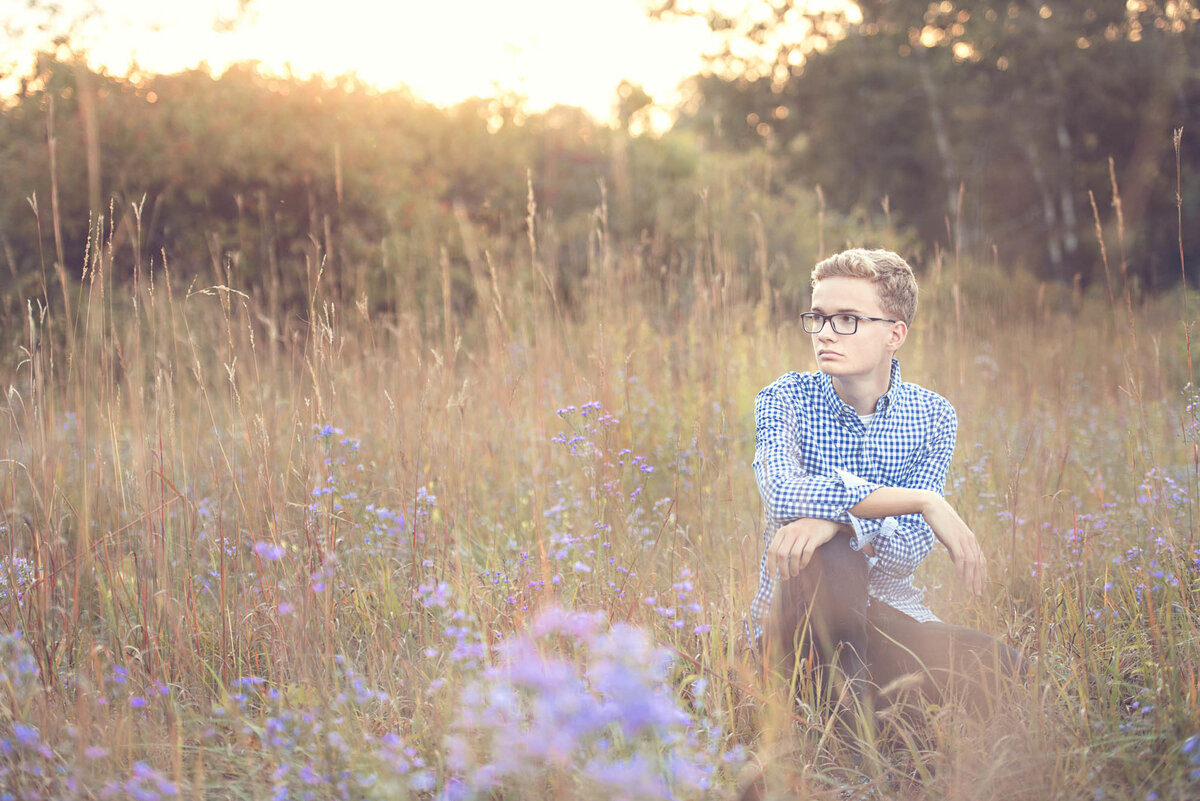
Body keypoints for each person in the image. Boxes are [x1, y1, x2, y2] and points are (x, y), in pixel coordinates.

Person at [748, 248, 1024, 756]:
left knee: (1009, 673)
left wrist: (841, 523)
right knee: (827, 557)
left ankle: (877, 720)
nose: (825, 333)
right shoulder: (784, 398)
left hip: (889, 616)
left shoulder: (933, 417)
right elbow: (782, 492)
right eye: (819, 317)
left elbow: (913, 549)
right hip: (798, 626)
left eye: (848, 319)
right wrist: (917, 500)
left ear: (894, 333)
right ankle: (853, 757)